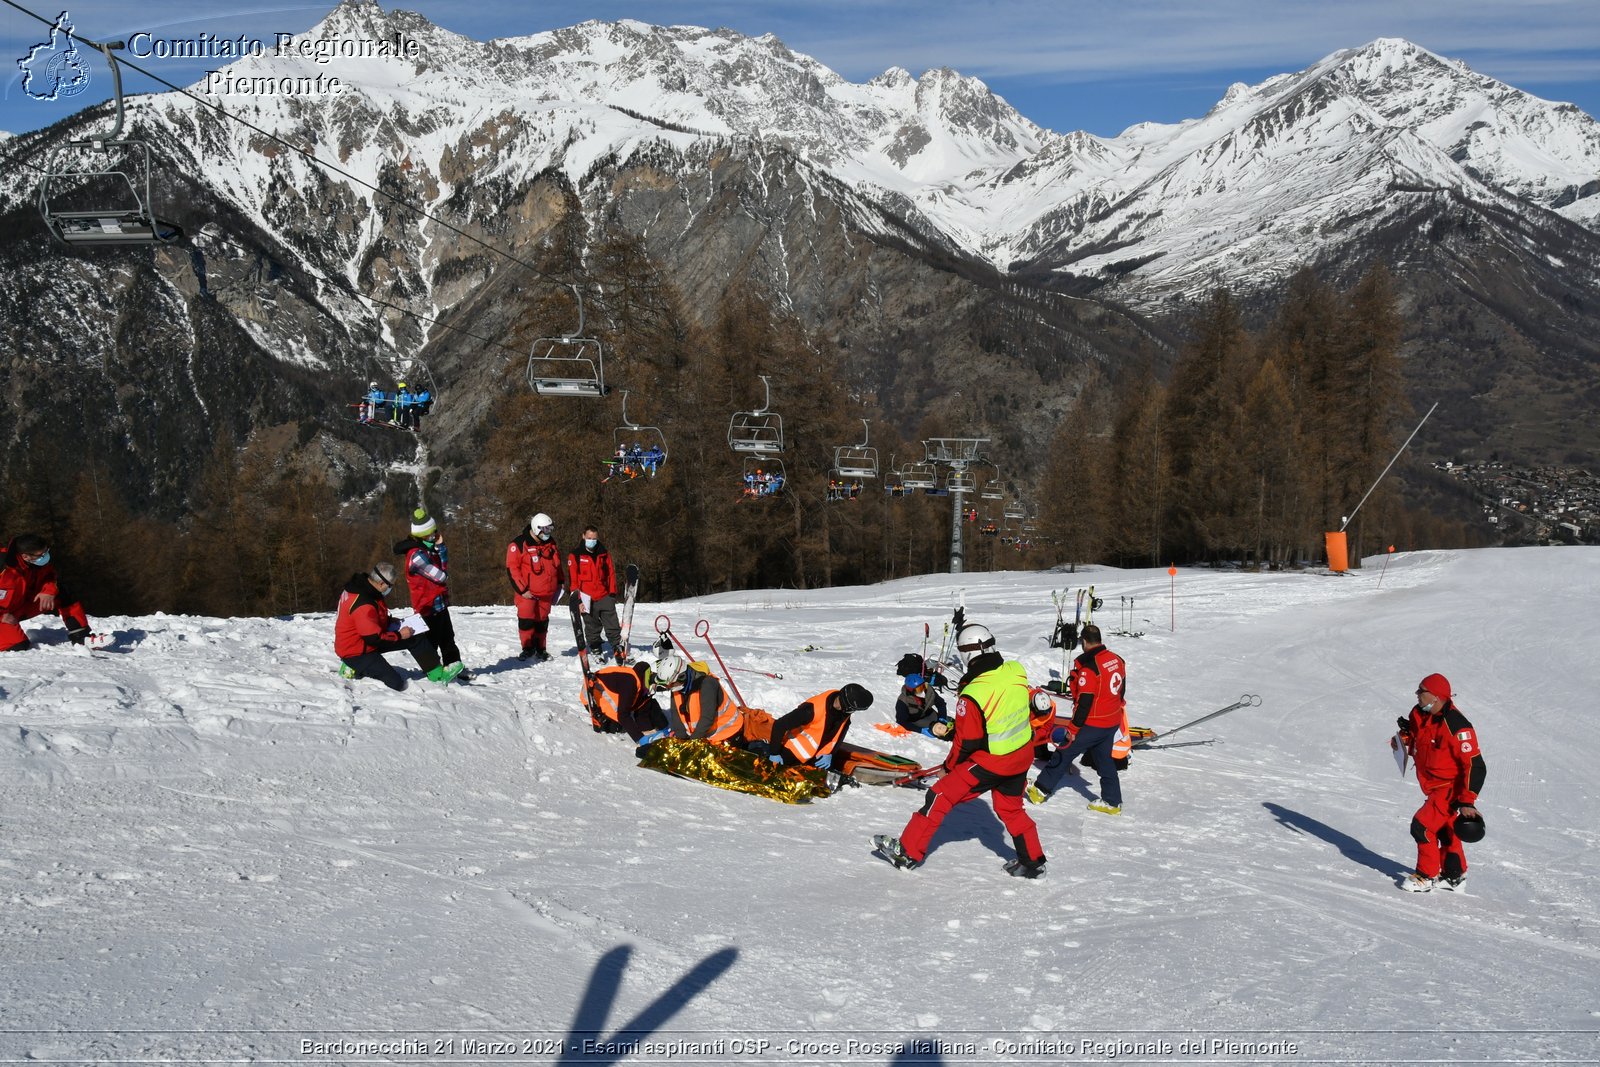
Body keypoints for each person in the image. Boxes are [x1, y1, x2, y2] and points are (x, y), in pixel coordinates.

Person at [874, 620, 1047, 879]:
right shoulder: (1016, 670)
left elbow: (967, 742)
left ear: (967, 655)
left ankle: (907, 852)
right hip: (1021, 755)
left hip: (992, 760)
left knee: (938, 796)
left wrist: (948, 768)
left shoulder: (973, 693)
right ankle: (1032, 861)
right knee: (1011, 809)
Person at [1394, 673, 1485, 892]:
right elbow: (1420, 741)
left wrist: (1467, 801)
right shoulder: (1418, 714)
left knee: (1422, 826)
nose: (1417, 694)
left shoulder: (1457, 726)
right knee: (1444, 829)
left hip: (1450, 788)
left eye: (1421, 691)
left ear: (1435, 696)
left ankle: (1425, 876)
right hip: (1432, 785)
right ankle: (1454, 876)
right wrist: (1404, 738)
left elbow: (1475, 765)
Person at [1029, 624, 1127, 813]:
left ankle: (1039, 790)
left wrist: (1073, 730)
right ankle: (1112, 801)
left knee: (1064, 752)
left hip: (1093, 723)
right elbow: (1122, 688)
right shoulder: (1116, 659)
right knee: (1104, 760)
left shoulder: (1090, 668)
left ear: (1083, 641)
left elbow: (1085, 703)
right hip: (1111, 720)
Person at [334, 562, 461, 689]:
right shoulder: (364, 603)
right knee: (396, 683)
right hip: (356, 650)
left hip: (363, 640)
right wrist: (400, 635)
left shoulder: (365, 589)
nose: (390, 589)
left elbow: (368, 620)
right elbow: (374, 638)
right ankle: (352, 665)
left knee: (415, 636)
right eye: (390, 586)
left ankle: (437, 674)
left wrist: (389, 622)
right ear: (381, 583)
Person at [394, 509, 470, 681]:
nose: (434, 537)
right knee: (431, 641)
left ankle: (454, 667)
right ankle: (433, 671)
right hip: (427, 606)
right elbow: (441, 576)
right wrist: (441, 549)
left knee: (447, 638)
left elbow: (441, 573)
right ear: (421, 536)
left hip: (439, 603)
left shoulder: (426, 551)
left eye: (434, 533)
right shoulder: (417, 556)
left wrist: (439, 549)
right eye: (431, 535)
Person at [0, 534, 93, 651]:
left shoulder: (36, 563)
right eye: (41, 555)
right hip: (3, 614)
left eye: (46, 552)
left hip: (18, 608)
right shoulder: (3, 565)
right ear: (25, 556)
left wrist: (48, 591)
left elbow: (50, 576)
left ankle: (81, 636)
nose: (45, 557)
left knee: (62, 591)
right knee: (17, 645)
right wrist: (2, 615)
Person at [647, 651, 747, 744]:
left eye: (670, 684)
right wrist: (681, 740)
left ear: (682, 677)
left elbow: (707, 718)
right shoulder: (676, 686)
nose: (668, 687)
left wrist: (692, 742)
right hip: (702, 735)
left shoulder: (707, 684)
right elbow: (676, 715)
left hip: (727, 733)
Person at [768, 685, 873, 769]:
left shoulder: (844, 714)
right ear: (846, 705)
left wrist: (830, 754)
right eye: (853, 709)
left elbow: (838, 737)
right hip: (790, 753)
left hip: (816, 758)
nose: (853, 712)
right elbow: (779, 725)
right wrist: (774, 753)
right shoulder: (811, 710)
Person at [505, 512, 564, 661]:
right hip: (527, 593)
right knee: (526, 621)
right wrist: (522, 589)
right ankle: (527, 648)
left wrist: (560, 582)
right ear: (537, 529)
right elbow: (512, 569)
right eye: (546, 529)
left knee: (542, 622)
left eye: (550, 529)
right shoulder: (518, 544)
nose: (548, 533)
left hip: (546, 592)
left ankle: (541, 649)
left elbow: (557, 565)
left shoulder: (551, 543)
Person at [567, 525, 623, 663]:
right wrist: (577, 601)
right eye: (589, 538)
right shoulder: (575, 555)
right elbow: (573, 581)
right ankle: (596, 648)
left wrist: (612, 593)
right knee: (592, 626)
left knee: (612, 624)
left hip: (604, 595)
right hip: (586, 597)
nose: (592, 541)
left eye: (594, 538)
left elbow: (611, 573)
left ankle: (617, 647)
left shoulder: (604, 553)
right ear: (583, 537)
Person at [584, 658, 670, 740]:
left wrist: (649, 730)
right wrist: (641, 739)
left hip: (612, 689)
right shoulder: (631, 684)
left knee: (647, 703)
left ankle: (661, 728)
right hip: (594, 693)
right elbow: (622, 715)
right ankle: (605, 720)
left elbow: (642, 707)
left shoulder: (641, 680)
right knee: (617, 726)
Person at [893, 653, 952, 738]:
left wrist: (942, 717)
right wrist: (921, 731)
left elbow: (941, 703)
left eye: (923, 686)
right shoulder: (902, 701)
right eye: (919, 689)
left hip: (930, 714)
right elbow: (902, 721)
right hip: (917, 721)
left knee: (950, 725)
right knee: (941, 733)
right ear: (911, 691)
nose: (923, 691)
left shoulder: (929, 690)